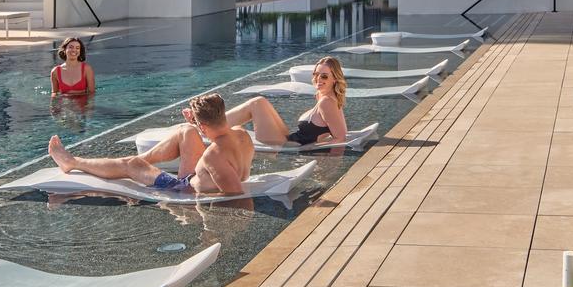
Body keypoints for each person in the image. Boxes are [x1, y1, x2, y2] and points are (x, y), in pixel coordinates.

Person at [44, 93, 253, 196]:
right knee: (186, 130)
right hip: (200, 174)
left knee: (130, 164)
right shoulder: (242, 134)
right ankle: (139, 162)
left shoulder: (213, 156)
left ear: (203, 126)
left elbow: (235, 197)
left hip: (183, 189)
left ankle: (73, 162)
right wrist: (195, 124)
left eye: (199, 125)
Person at [223, 56, 348, 147]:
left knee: (256, 103)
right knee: (260, 101)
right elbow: (339, 130)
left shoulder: (327, 102)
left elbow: (340, 137)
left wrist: (311, 148)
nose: (318, 79)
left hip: (284, 145)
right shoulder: (325, 97)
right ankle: (217, 123)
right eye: (316, 74)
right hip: (289, 139)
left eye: (324, 76)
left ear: (335, 79)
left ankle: (216, 124)